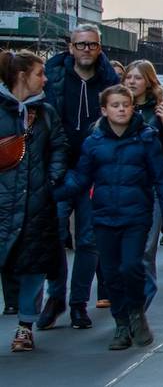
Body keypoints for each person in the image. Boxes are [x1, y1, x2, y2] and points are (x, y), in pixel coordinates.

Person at [55, 85, 163, 351]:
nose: (121, 109)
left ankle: (136, 312)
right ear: (104, 110)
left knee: (132, 266)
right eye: (115, 105)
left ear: (133, 107)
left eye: (125, 104)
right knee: (110, 274)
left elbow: (162, 179)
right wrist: (51, 192)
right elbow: (80, 178)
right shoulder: (94, 142)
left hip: (136, 215)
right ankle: (121, 323)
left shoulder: (146, 138)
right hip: (103, 216)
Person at [39, 24, 121, 331]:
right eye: (81, 45)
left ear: (99, 48)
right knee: (54, 236)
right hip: (59, 170)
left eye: (92, 45)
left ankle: (78, 304)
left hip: (95, 171)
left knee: (89, 240)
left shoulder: (109, 81)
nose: (86, 50)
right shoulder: (54, 77)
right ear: (70, 47)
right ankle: (55, 297)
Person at [0, 50, 68, 352]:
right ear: (22, 75)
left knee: (33, 265)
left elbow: (59, 148)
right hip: (3, 201)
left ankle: (25, 326)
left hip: (36, 202)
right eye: (40, 73)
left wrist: (50, 180)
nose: (45, 79)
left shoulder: (45, 113)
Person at [122, 61, 163, 313]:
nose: (131, 82)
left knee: (146, 249)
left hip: (152, 187)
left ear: (149, 81)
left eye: (137, 78)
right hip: (122, 186)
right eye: (128, 77)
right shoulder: (117, 106)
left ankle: (137, 310)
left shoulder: (160, 109)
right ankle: (127, 305)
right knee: (121, 255)